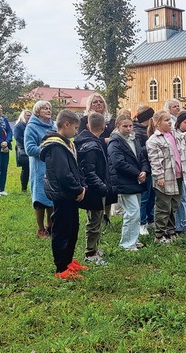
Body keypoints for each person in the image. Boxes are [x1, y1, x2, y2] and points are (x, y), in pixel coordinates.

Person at [40, 109, 88, 280]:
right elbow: (63, 174)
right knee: (61, 230)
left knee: (72, 228)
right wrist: (77, 189)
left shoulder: (67, 143)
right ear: (66, 124)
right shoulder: (55, 146)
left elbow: (75, 169)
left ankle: (68, 260)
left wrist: (82, 186)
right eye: (75, 128)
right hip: (63, 195)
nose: (76, 132)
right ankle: (61, 268)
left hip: (71, 195)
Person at [146, 110, 186, 243]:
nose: (170, 122)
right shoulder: (153, 140)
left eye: (170, 120)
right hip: (164, 178)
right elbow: (154, 161)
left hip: (178, 176)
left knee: (174, 205)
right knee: (163, 206)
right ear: (157, 123)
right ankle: (159, 235)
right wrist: (159, 176)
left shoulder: (174, 134)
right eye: (166, 120)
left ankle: (170, 231)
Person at [108, 114, 150, 251]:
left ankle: (134, 239)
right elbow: (118, 163)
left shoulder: (134, 139)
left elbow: (142, 158)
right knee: (132, 212)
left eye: (130, 125)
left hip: (136, 179)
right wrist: (137, 173)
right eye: (125, 126)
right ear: (118, 127)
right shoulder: (115, 142)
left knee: (136, 212)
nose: (128, 128)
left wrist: (144, 171)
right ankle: (126, 244)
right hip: (124, 180)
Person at [74, 112, 110, 265]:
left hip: (92, 187)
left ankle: (94, 247)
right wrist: (102, 187)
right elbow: (89, 172)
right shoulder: (92, 146)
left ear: (88, 126)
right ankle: (90, 252)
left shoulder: (85, 141)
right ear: (104, 127)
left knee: (95, 219)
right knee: (94, 221)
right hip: (94, 188)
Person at [24, 100, 57, 239]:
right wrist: (47, 149)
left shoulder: (54, 126)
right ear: (37, 111)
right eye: (44, 108)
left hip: (53, 167)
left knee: (51, 198)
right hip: (39, 168)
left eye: (49, 108)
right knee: (40, 200)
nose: (48, 110)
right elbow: (29, 149)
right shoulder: (31, 127)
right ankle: (40, 229)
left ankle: (50, 225)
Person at [133, 106, 156, 235]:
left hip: (152, 167)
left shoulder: (149, 130)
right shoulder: (137, 132)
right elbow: (139, 151)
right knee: (144, 197)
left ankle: (151, 218)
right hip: (144, 168)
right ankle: (142, 223)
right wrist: (151, 148)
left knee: (152, 196)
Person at [14, 110, 32, 192]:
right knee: (25, 169)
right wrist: (28, 142)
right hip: (23, 148)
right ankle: (24, 188)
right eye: (27, 115)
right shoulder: (19, 125)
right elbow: (17, 137)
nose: (29, 117)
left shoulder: (32, 125)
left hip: (31, 148)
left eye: (30, 115)